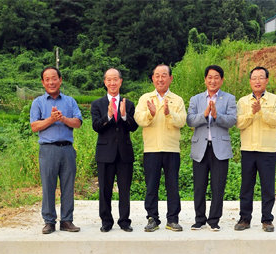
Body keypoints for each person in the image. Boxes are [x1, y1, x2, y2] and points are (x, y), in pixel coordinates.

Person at [30, 66, 82, 234]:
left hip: (67, 149)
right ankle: (49, 221)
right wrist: (51, 119)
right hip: (48, 150)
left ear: (60, 80)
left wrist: (63, 119)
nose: (51, 82)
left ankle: (67, 220)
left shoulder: (70, 101)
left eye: (54, 78)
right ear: (43, 82)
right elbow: (34, 126)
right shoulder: (37, 102)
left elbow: (78, 122)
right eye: (47, 79)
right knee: (48, 186)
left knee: (68, 186)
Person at [134, 64, 187, 232]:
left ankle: (172, 219)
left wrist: (168, 113)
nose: (160, 79)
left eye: (164, 75)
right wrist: (150, 113)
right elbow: (139, 119)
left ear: (170, 78)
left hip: (171, 149)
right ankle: (152, 218)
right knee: (151, 185)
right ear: (152, 78)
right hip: (151, 149)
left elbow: (182, 121)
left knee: (172, 185)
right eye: (157, 75)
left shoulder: (177, 100)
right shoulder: (145, 98)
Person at [186, 65, 237, 231]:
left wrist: (216, 115)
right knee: (199, 186)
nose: (213, 80)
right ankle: (199, 219)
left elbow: (232, 121)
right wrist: (205, 114)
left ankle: (214, 220)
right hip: (200, 148)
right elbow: (190, 121)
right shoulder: (196, 99)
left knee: (218, 185)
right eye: (210, 77)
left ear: (221, 80)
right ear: (205, 79)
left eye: (216, 77)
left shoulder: (229, 98)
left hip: (220, 149)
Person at [235, 66, 276, 232]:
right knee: (246, 186)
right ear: (250, 81)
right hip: (248, 149)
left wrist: (261, 111)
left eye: (261, 77)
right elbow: (239, 123)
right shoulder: (242, 101)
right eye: (254, 78)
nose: (257, 81)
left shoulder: (275, 99)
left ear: (267, 80)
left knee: (268, 187)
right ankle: (244, 219)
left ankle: (267, 220)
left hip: (267, 150)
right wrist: (251, 113)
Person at [91, 68, 138, 232]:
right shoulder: (97, 104)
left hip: (124, 153)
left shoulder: (129, 103)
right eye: (109, 80)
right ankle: (106, 221)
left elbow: (133, 127)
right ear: (105, 82)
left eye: (115, 79)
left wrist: (124, 116)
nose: (112, 83)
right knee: (105, 189)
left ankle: (124, 221)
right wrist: (109, 116)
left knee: (125, 189)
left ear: (120, 81)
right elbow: (96, 127)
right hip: (105, 153)